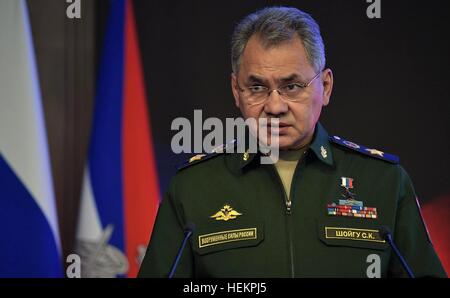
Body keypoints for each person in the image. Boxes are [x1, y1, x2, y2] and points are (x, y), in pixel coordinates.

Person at [138, 6, 446, 278]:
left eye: (292, 86)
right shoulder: (193, 188)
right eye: (256, 87)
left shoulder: (384, 183)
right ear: (236, 90)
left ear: (324, 87)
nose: (275, 106)